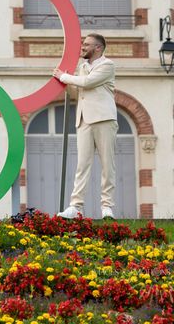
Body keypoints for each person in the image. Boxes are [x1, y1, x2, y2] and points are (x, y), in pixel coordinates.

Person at [52, 33, 118, 220]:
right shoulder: (82, 68)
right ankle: (76, 206)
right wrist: (63, 83)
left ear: (98, 48)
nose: (83, 47)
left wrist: (64, 76)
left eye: (87, 44)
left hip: (104, 118)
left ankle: (107, 207)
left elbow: (88, 83)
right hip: (83, 120)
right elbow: (78, 92)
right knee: (82, 165)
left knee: (107, 164)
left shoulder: (107, 65)